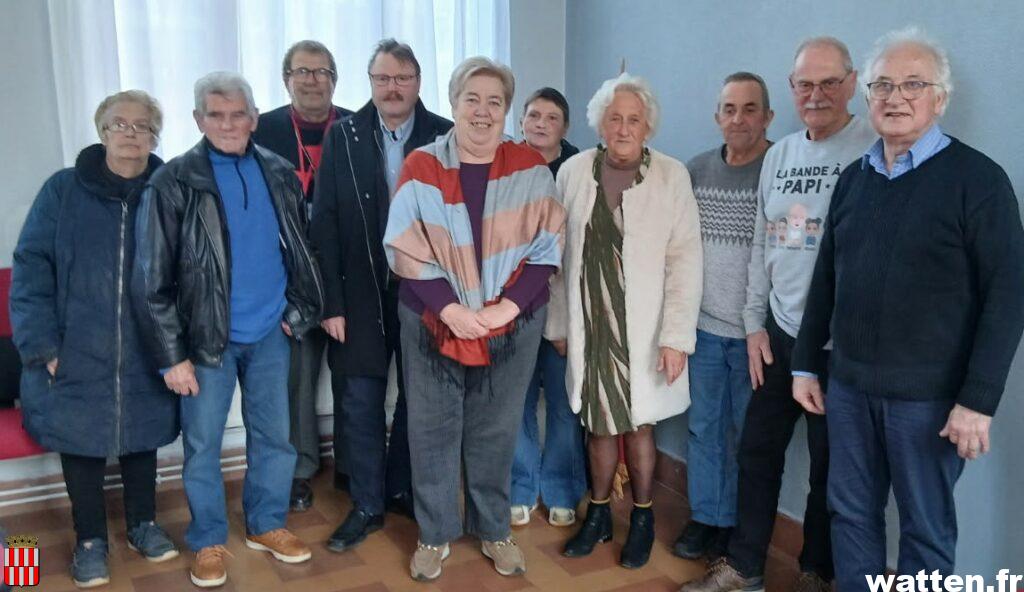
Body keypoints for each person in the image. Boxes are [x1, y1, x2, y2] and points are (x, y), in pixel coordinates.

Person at [792, 28, 1024, 591]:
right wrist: (804, 364)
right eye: (883, 85)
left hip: (930, 399)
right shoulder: (854, 180)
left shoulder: (979, 181)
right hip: (848, 389)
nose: (896, 97)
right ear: (868, 96)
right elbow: (826, 279)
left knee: (925, 528)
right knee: (850, 514)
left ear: (939, 99)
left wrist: (978, 401)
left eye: (913, 84)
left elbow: (1008, 296)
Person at [679, 37, 876, 592]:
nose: (816, 95)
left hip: (839, 344)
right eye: (805, 84)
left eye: (829, 83)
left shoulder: (872, 146)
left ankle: (815, 570)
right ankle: (744, 567)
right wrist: (754, 324)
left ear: (852, 83)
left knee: (829, 467)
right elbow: (762, 246)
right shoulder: (782, 155)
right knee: (756, 453)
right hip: (779, 335)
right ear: (792, 89)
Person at [133, 72, 323, 588]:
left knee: (275, 438)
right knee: (203, 446)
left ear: (254, 119)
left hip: (270, 333)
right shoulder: (173, 181)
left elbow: (302, 249)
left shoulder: (279, 171)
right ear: (199, 120)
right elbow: (151, 279)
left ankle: (266, 524)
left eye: (238, 114)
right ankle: (208, 540)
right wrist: (172, 356)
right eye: (216, 115)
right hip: (204, 341)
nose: (228, 124)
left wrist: (297, 313)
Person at [384, 56, 565, 581]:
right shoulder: (421, 165)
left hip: (513, 321)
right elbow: (405, 248)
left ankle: (493, 529)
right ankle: (435, 534)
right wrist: (452, 310)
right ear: (453, 103)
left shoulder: (531, 169)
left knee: (496, 429)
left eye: (494, 101)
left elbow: (548, 249)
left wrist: (504, 308)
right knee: (432, 429)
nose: (482, 111)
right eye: (472, 99)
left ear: (507, 111)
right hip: (432, 319)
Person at [10, 90, 179, 588]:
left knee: (143, 434)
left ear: (155, 136)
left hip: (147, 343)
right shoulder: (62, 190)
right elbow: (31, 268)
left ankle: (143, 525)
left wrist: (179, 345)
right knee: (79, 441)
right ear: (102, 131)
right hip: (76, 344)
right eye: (119, 124)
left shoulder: (169, 191)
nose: (131, 133)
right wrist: (44, 347)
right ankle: (89, 541)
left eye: (142, 125)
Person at [554, 72, 703, 570]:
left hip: (644, 328)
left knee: (639, 425)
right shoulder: (574, 171)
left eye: (633, 120)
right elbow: (556, 257)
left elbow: (685, 260)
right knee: (597, 425)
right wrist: (558, 325)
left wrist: (676, 337)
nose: (623, 128)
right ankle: (598, 515)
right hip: (591, 324)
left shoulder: (671, 176)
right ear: (600, 122)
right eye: (614, 118)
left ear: (648, 126)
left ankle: (641, 518)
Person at [311, 38, 452, 553]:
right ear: (369, 82)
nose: (393, 88)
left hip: (426, 294)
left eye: (402, 78)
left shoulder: (445, 136)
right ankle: (367, 504)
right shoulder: (344, 135)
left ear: (418, 83)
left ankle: (401, 489)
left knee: (421, 400)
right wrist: (331, 303)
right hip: (359, 295)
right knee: (359, 401)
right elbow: (324, 221)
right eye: (383, 78)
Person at [672, 72, 774, 561]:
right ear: (717, 117)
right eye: (729, 109)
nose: (739, 119)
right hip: (705, 331)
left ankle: (736, 527)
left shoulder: (779, 168)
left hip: (758, 336)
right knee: (704, 430)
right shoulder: (696, 171)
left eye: (750, 109)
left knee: (747, 439)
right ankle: (705, 518)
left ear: (767, 116)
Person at [253, 40, 353, 513]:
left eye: (322, 71)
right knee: (297, 379)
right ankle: (299, 469)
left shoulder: (356, 127)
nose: (312, 80)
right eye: (302, 71)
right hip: (289, 277)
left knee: (355, 377)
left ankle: (354, 464)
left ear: (335, 79)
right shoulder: (261, 130)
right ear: (285, 79)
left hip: (348, 275)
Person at [510, 87, 584, 528]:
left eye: (551, 117)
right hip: (512, 309)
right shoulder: (503, 164)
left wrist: (565, 321)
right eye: (533, 115)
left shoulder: (580, 171)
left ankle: (560, 488)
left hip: (564, 309)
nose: (540, 123)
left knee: (562, 402)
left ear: (565, 127)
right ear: (520, 121)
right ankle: (520, 487)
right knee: (514, 402)